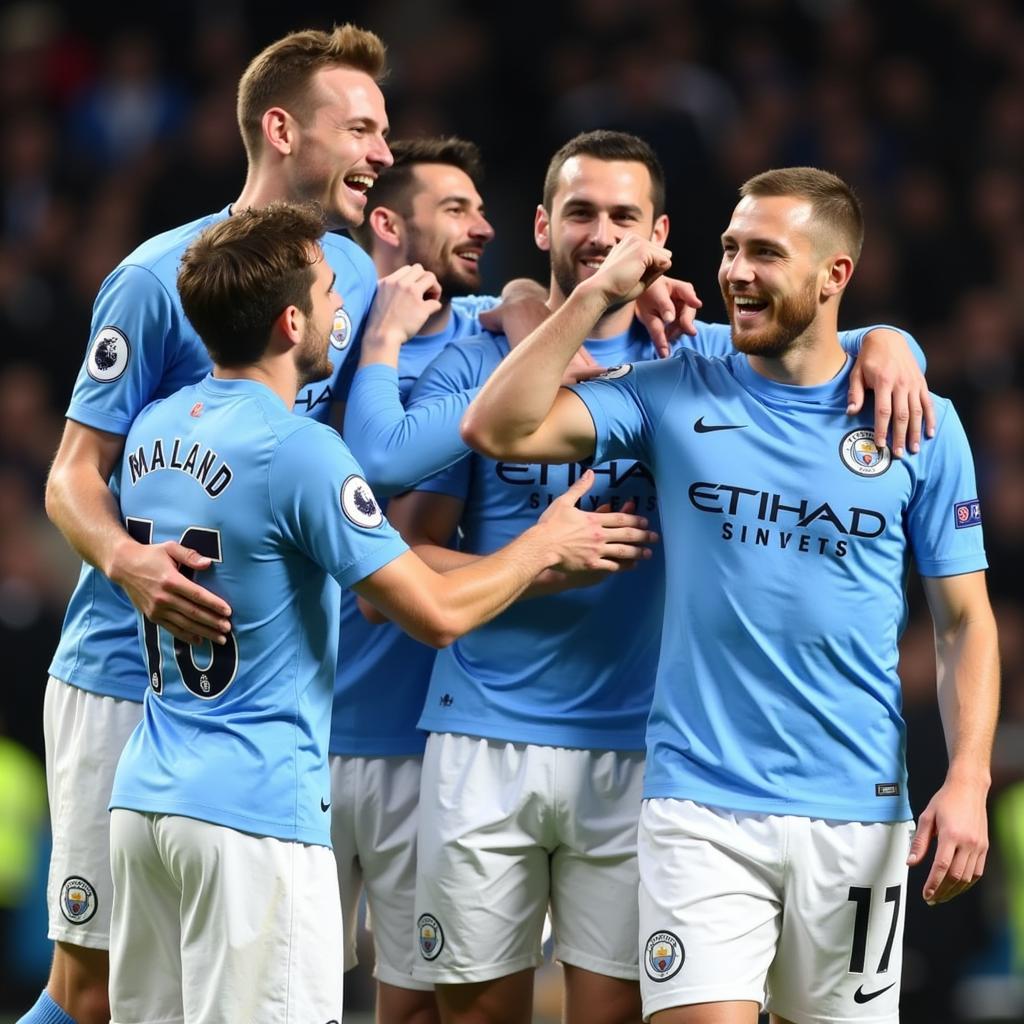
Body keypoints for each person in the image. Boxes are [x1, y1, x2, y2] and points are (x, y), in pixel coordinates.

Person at [379, 132, 931, 1024]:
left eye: (623, 217)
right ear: (542, 223)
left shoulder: (693, 357)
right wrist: (533, 559)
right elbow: (402, 559)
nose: (601, 233)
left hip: (644, 749)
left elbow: (805, 339)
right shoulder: (483, 353)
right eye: (581, 213)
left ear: (659, 231)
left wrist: (890, 338)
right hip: (484, 727)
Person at [107, 201, 656, 1024]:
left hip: (145, 799)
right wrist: (543, 546)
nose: (344, 310)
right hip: (252, 811)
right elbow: (429, 611)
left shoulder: (153, 428)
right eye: (332, 293)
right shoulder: (298, 450)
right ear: (292, 321)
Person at [28, 24, 395, 1024]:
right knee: (91, 990)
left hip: (257, 698)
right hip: (124, 673)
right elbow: (72, 473)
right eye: (359, 127)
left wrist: (874, 336)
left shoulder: (351, 279)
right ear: (282, 130)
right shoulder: (156, 279)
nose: (382, 153)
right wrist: (126, 561)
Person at [332, 136, 497, 1023]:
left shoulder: (497, 336)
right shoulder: (310, 333)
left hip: (424, 742)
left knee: (415, 1007)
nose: (486, 226)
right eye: (459, 210)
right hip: (301, 732)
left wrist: (883, 335)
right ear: (389, 223)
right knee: (285, 995)